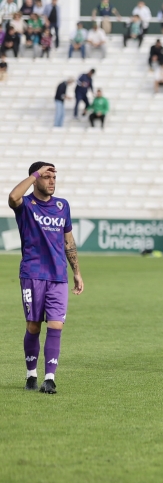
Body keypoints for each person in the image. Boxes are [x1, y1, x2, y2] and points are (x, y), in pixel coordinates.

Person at [9, 162, 85, 394]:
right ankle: (31, 374)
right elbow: (13, 196)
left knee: (56, 325)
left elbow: (68, 241)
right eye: (46, 176)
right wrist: (35, 175)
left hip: (58, 276)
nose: (52, 181)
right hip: (32, 274)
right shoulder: (26, 205)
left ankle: (49, 378)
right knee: (33, 326)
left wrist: (77, 272)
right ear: (36, 179)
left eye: (54, 177)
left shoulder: (63, 206)